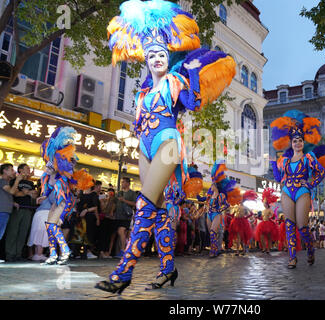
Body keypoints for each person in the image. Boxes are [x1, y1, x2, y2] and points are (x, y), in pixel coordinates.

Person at [95, 0, 236, 294]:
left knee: (144, 203)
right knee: (157, 210)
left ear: (167, 56)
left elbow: (191, 100)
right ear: (146, 59)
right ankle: (167, 269)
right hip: (145, 146)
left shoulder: (175, 80)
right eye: (152, 55)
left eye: (162, 53)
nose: (157, 58)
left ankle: (124, 272)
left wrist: (191, 81)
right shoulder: (144, 90)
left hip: (168, 143)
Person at [271, 110, 325, 268]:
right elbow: (277, 178)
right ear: (291, 143)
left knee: (302, 227)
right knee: (289, 224)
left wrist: (310, 184)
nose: (297, 143)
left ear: (303, 142)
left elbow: (321, 173)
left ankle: (310, 250)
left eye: (300, 141)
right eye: (295, 141)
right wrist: (273, 163)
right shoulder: (286, 160)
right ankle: (292, 257)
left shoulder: (309, 158)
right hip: (287, 191)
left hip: (302, 191)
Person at [39, 127, 94, 265]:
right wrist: (45, 194)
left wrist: (54, 170)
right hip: (56, 198)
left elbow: (65, 177)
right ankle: (52, 254)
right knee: (49, 225)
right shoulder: (54, 165)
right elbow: (49, 185)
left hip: (64, 199)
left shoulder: (66, 164)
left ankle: (65, 249)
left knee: (52, 225)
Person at [206, 161, 240, 258]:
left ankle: (213, 251)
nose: (210, 186)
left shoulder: (220, 195)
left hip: (216, 215)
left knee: (213, 232)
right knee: (211, 234)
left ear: (215, 186)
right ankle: (215, 248)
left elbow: (226, 205)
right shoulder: (210, 194)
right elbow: (204, 201)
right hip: (208, 215)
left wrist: (219, 211)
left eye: (212, 185)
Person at [0, 164, 22, 263]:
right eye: (11, 170)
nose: (13, 172)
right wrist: (17, 180)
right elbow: (12, 192)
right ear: (5, 171)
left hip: (5, 211)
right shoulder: (2, 181)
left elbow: (7, 194)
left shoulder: (6, 183)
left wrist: (12, 203)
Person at [113, 177, 136, 258]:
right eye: (122, 182)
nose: (122, 183)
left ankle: (123, 250)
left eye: (123, 182)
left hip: (126, 216)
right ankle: (123, 251)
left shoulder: (132, 193)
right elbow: (114, 204)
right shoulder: (119, 193)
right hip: (117, 216)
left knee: (121, 231)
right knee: (121, 234)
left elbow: (135, 204)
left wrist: (124, 200)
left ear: (128, 183)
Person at [228, 191, 256, 256]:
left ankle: (243, 250)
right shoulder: (236, 207)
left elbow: (251, 213)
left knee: (242, 237)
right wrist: (232, 217)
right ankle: (237, 251)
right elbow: (232, 214)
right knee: (238, 238)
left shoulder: (245, 207)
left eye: (241, 199)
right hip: (236, 222)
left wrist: (246, 218)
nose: (240, 200)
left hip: (243, 222)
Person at [98, 188, 117, 259]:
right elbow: (103, 209)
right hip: (104, 219)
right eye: (109, 193)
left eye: (112, 193)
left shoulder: (115, 201)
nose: (110, 194)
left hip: (111, 220)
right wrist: (106, 201)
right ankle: (101, 252)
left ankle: (106, 252)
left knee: (108, 237)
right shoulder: (103, 200)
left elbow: (113, 212)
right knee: (103, 236)